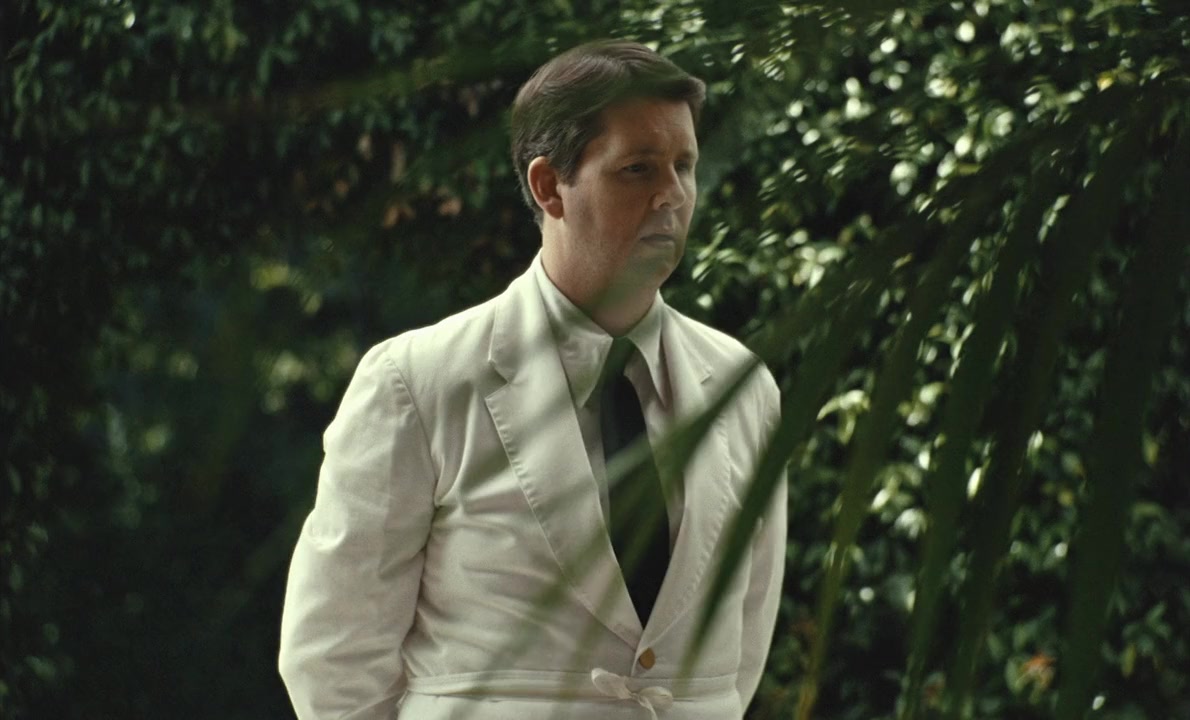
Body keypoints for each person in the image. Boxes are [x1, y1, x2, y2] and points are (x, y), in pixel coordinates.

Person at [278, 39, 787, 720]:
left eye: (684, 166)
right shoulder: (417, 383)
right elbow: (332, 658)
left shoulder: (744, 388)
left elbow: (741, 648)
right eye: (638, 169)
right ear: (549, 187)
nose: (672, 194)